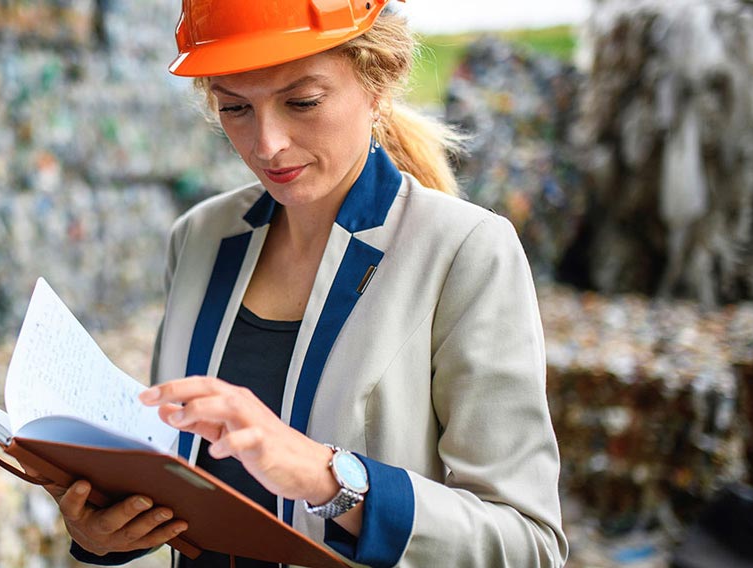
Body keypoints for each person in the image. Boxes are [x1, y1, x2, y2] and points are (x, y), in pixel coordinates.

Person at [40, 1, 569, 566]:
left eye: (302, 102)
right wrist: (105, 532)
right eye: (236, 107)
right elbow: (178, 475)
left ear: (378, 79)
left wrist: (329, 480)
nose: (267, 144)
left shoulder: (466, 253)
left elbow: (528, 542)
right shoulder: (199, 238)